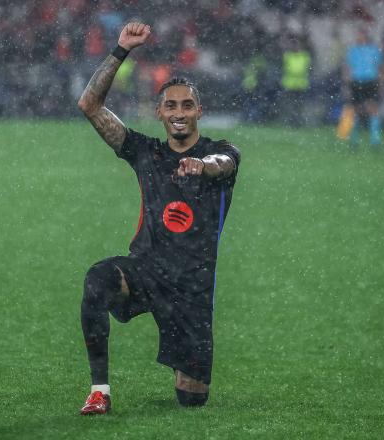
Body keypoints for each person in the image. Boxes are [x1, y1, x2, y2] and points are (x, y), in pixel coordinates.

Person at [76, 22, 240, 415]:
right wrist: (120, 51)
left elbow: (223, 164)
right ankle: (100, 390)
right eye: (171, 106)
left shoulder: (222, 151)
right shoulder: (145, 152)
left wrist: (201, 164)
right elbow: (90, 106)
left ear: (199, 111)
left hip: (192, 288)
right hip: (146, 272)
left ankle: (187, 370)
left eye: (187, 105)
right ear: (160, 112)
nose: (179, 113)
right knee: (97, 279)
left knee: (191, 399)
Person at [342, 29, 384, 147]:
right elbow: (347, 69)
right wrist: (346, 85)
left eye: (360, 35)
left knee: (373, 110)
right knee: (355, 110)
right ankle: (353, 140)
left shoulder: (374, 50)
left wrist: (382, 84)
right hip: (356, 82)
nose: (358, 37)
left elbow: (381, 68)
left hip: (370, 82)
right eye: (358, 35)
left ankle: (375, 139)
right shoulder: (353, 51)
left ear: (366, 36)